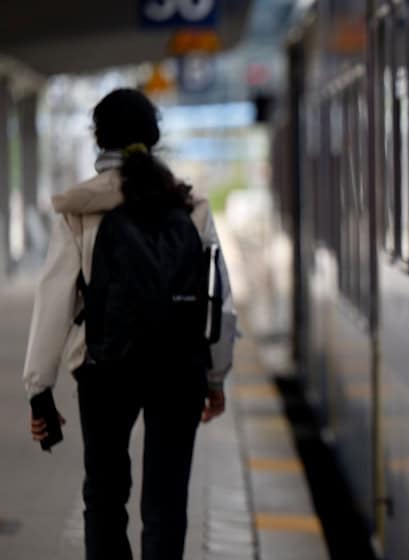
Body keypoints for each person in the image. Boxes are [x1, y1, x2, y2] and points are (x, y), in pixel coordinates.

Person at [22, 88, 238, 560]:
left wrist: (40, 391)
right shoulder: (190, 205)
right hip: (178, 370)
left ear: (99, 139)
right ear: (154, 137)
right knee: (165, 505)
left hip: (104, 369)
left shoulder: (79, 208)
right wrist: (215, 376)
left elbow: (55, 297)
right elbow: (219, 301)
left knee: (103, 498)